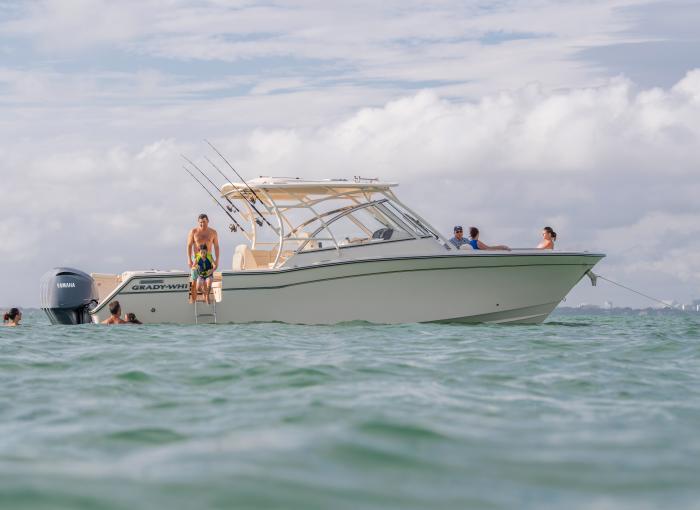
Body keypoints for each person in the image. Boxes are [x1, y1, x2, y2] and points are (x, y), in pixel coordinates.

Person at [187, 213, 219, 303]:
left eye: (204, 222)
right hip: (196, 260)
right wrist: (189, 259)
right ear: (198, 222)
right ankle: (193, 302)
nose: (202, 224)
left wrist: (217, 260)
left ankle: (206, 301)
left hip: (208, 259)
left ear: (208, 221)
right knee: (193, 283)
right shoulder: (193, 232)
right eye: (200, 222)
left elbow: (216, 246)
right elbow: (189, 246)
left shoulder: (213, 232)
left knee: (206, 283)